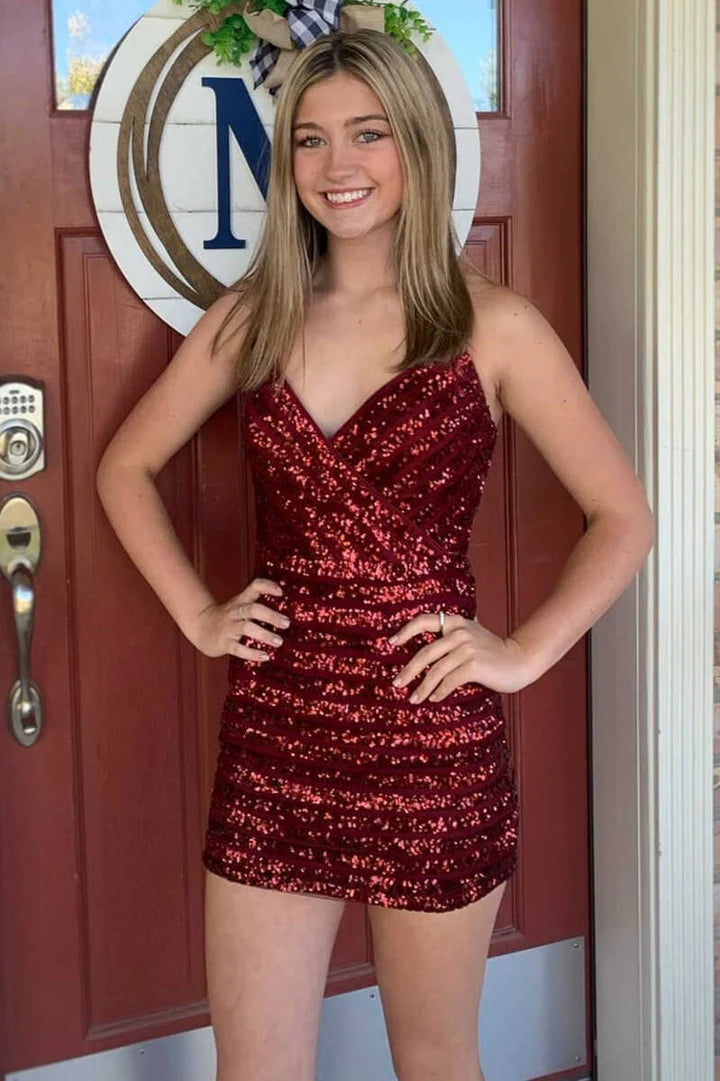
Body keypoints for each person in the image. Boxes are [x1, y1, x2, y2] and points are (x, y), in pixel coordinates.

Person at [96, 26, 655, 1081]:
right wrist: (200, 614)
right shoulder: (253, 319)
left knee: (435, 1058)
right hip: (279, 735)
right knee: (254, 1069)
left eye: (368, 132)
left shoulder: (494, 327)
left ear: (416, 145)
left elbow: (623, 515)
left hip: (430, 738)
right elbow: (125, 468)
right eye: (310, 139)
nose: (336, 164)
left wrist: (521, 652)